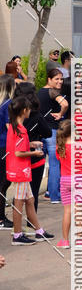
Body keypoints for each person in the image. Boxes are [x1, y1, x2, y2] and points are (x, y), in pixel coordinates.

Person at [6, 96, 54, 245]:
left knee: (30, 200)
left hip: (20, 169)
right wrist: (34, 152)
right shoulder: (20, 129)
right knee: (19, 203)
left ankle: (38, 230)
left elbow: (17, 148)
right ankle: (18, 235)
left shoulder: (15, 127)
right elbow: (19, 153)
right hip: (21, 170)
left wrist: (31, 144)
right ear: (24, 111)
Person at [20, 83, 52, 212]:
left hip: (18, 159)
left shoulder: (14, 116)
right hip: (34, 158)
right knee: (32, 192)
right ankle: (31, 224)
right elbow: (47, 132)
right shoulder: (36, 116)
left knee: (19, 196)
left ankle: (18, 228)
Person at [37, 68, 68, 203]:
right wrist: (61, 114)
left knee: (39, 165)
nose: (60, 81)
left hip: (39, 133)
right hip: (52, 132)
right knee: (55, 164)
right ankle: (54, 196)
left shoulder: (38, 92)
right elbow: (65, 104)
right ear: (49, 79)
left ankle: (32, 195)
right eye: (57, 79)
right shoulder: (52, 91)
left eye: (61, 79)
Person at [55, 119, 76, 249]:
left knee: (67, 211)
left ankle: (65, 240)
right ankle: (79, 240)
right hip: (78, 179)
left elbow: (59, 159)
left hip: (65, 180)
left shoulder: (60, 147)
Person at [0, 74, 16, 230]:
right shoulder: (8, 104)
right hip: (5, 145)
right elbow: (9, 127)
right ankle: (1, 218)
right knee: (4, 182)